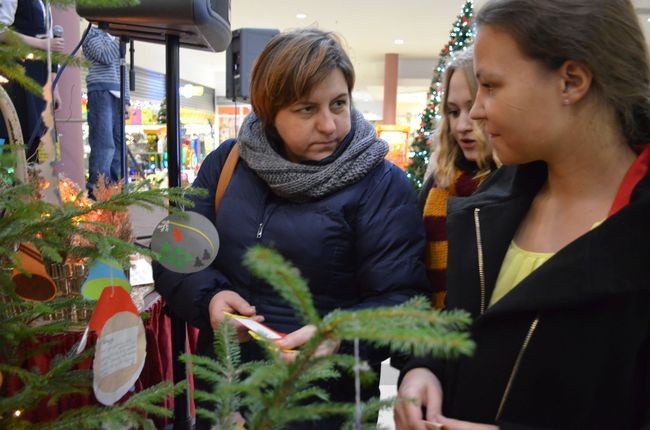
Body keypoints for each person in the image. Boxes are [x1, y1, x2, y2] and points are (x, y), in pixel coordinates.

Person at [154, 28, 429, 429]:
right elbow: (174, 250)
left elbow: (403, 302)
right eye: (306, 109)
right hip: (226, 396)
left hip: (323, 406)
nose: (330, 125)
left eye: (339, 103)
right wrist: (211, 299)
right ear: (269, 112)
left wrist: (336, 336)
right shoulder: (228, 164)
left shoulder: (381, 185)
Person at [395, 0, 650, 429]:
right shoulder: (489, 203)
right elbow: (464, 328)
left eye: (491, 86)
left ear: (571, 81)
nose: (475, 112)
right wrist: (425, 368)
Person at [419, 47, 495, 309]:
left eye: (473, 107)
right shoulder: (438, 182)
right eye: (453, 112)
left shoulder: (517, 182)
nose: (463, 125)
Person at [0, 0, 64, 161]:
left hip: (41, 79)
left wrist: (54, 86)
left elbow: (52, 45)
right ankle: (14, 180)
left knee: (39, 137)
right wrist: (42, 43)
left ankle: (35, 180)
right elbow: (2, 31)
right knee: (18, 132)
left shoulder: (45, 3)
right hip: (19, 74)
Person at [82, 25, 129, 197]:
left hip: (118, 94)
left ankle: (118, 189)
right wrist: (118, 36)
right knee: (104, 143)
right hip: (100, 91)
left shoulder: (117, 37)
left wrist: (126, 100)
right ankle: (98, 189)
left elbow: (123, 69)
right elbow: (106, 56)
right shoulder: (91, 33)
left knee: (118, 145)